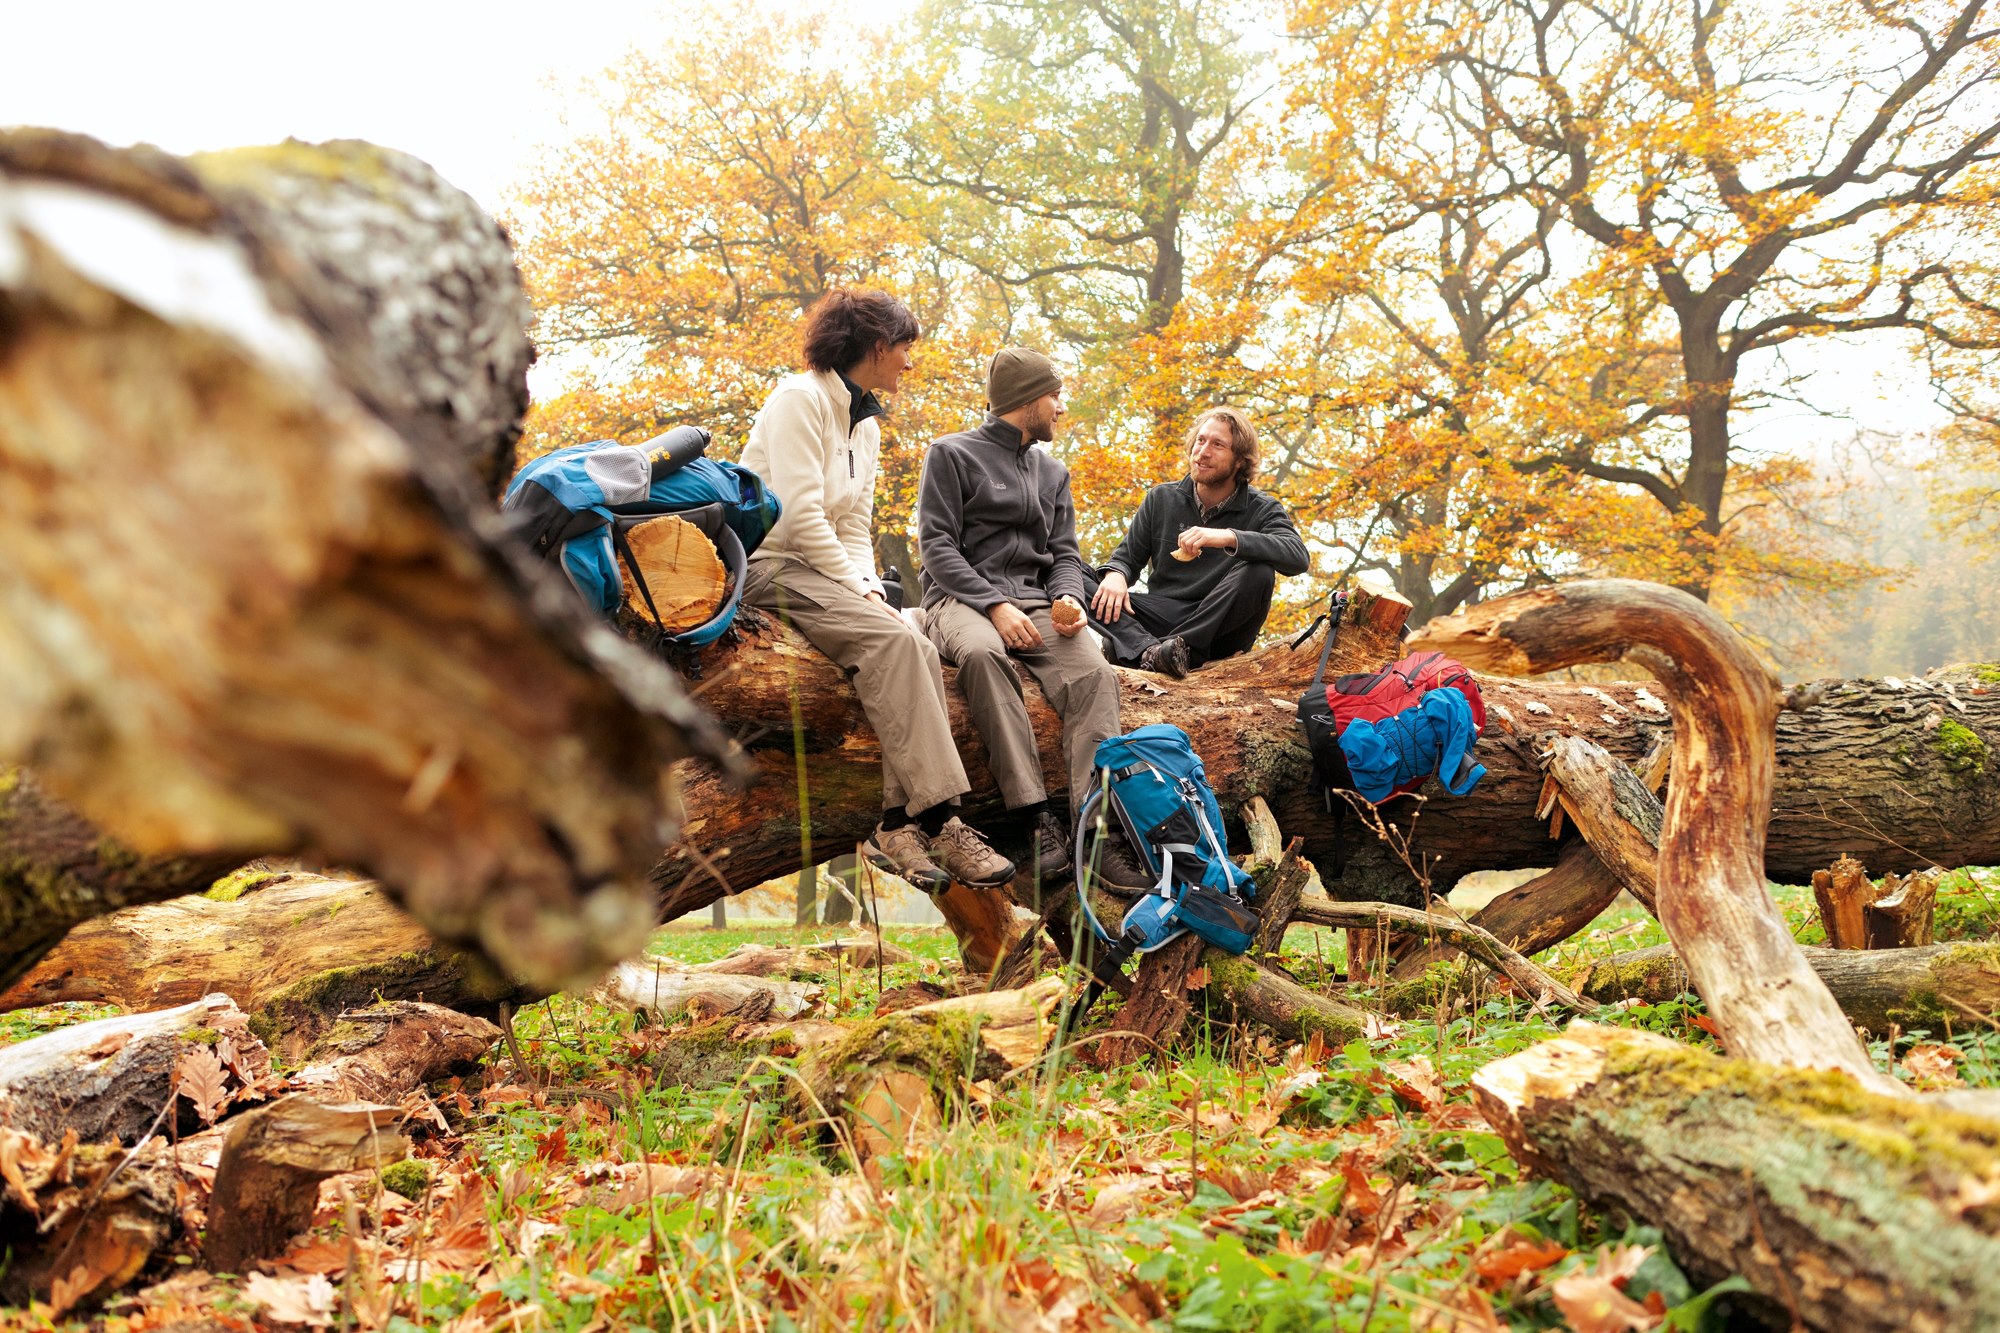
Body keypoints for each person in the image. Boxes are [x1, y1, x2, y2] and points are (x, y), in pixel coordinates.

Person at [739, 289, 1014, 893]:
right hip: (767, 566)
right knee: (894, 641)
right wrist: (859, 592)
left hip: (818, 569)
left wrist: (868, 588)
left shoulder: (864, 426)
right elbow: (801, 518)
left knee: (915, 640)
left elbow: (853, 526)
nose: (910, 363)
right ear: (878, 346)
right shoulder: (799, 400)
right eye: (906, 348)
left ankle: (896, 825)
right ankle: (941, 819)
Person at [917, 348, 1149, 889]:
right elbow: (937, 547)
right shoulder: (950, 454)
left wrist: (1068, 598)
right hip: (959, 600)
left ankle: (1096, 833)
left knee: (1095, 674)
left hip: (1038, 604)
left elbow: (1065, 554)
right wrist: (993, 605)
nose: (1061, 408)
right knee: (983, 655)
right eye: (1055, 396)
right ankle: (1034, 819)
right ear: (1026, 400)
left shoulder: (1052, 472)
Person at [1086, 407, 1309, 678]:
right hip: (1164, 615)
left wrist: (1228, 537)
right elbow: (1126, 558)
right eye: (1200, 440)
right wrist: (1116, 574)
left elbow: (1298, 557)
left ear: (1240, 460)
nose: (1203, 452)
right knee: (1070, 571)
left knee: (1259, 571)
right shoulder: (1161, 498)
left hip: (1221, 629)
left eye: (1217, 445)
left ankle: (1150, 649)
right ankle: (1149, 651)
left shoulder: (1262, 508)